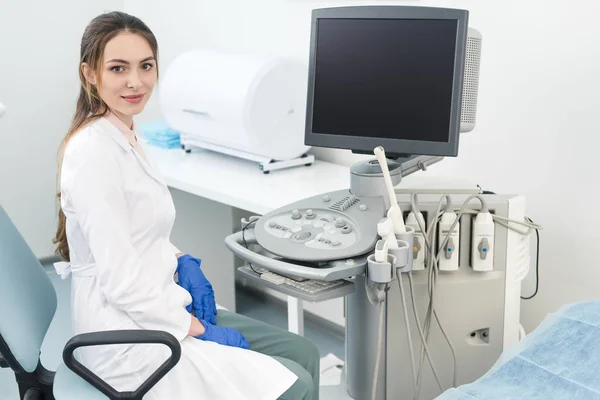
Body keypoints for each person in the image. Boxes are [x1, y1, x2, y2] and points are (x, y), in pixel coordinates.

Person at [52, 11, 320, 400]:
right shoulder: (92, 153)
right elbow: (120, 280)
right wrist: (197, 329)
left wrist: (180, 258)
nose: (135, 81)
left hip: (160, 300)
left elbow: (137, 229)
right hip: (130, 340)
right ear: (89, 74)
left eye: (146, 66)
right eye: (118, 68)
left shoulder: (124, 130)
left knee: (303, 352)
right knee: (298, 385)